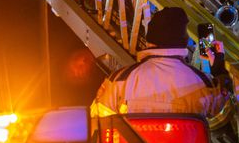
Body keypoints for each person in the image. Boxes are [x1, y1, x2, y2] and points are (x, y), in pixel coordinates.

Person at [90, 7, 230, 125]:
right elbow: (222, 110)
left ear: (149, 40)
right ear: (184, 41)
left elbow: (98, 123)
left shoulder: (120, 80)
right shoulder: (203, 83)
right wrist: (218, 67)